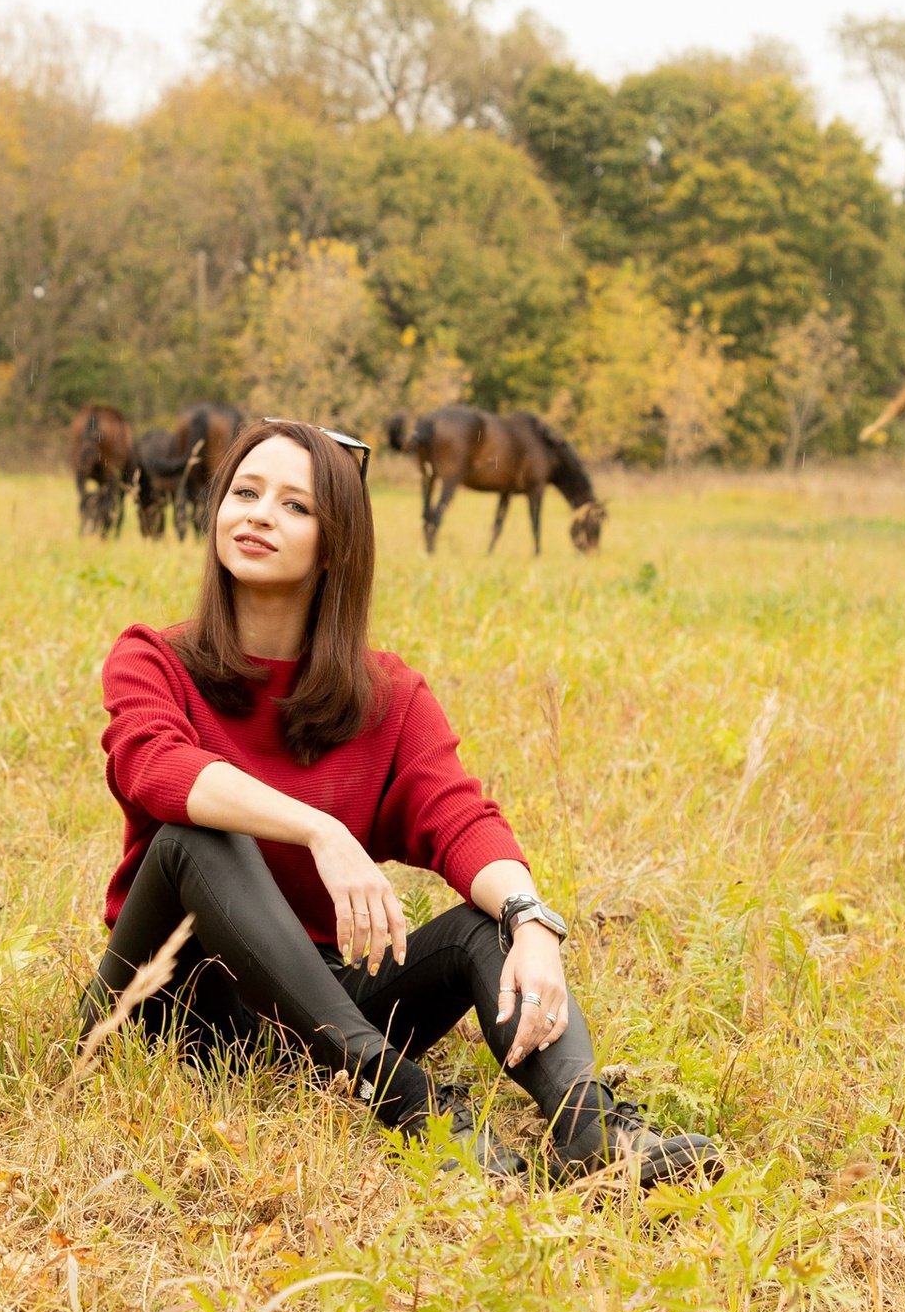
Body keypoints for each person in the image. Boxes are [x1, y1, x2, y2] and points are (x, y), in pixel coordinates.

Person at [83, 418, 720, 1185]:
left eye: (295, 505)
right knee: (195, 835)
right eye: (244, 493)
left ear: (338, 543)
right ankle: (406, 1100)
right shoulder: (154, 657)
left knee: (488, 925)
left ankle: (592, 1135)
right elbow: (157, 768)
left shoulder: (385, 695)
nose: (256, 514)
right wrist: (319, 829)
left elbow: (459, 818)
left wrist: (531, 920)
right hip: (170, 1006)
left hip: (311, 1001)